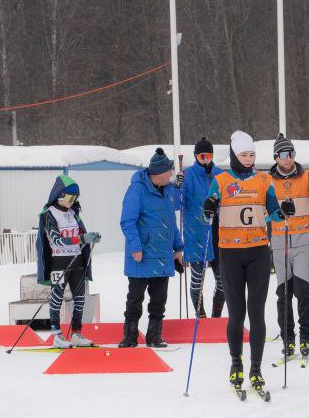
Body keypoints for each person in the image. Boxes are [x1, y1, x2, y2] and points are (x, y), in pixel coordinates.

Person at [203, 130, 287, 396]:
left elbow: (275, 214)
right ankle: (236, 363)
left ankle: (256, 368)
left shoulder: (264, 180)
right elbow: (207, 216)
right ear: (234, 155)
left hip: (258, 252)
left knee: (257, 313)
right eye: (244, 155)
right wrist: (208, 208)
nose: (249, 159)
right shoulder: (220, 180)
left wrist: (284, 212)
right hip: (229, 253)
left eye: (252, 154)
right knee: (236, 313)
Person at [118, 149, 184, 348]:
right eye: (169, 172)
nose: (171, 175)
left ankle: (154, 336)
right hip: (142, 255)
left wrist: (178, 248)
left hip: (163, 254)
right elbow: (127, 222)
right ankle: (129, 337)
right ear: (158, 173)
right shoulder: (136, 190)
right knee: (135, 298)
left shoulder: (169, 192)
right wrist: (136, 247)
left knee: (159, 300)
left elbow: (172, 222)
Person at [269, 134, 309, 358]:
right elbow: (263, 209)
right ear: (276, 157)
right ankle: (288, 338)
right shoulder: (267, 181)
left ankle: (306, 337)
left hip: (302, 241)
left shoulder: (308, 177)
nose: (288, 159)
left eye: (291, 154)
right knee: (283, 293)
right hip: (279, 241)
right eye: (283, 154)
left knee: (302, 290)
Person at [37, 174, 101, 347]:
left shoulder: (73, 213)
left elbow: (80, 233)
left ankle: (76, 334)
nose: (73, 201)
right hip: (59, 261)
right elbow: (56, 239)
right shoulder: (49, 214)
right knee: (56, 298)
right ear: (59, 195)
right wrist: (81, 239)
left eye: (76, 198)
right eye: (70, 197)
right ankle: (57, 334)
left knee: (80, 299)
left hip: (77, 260)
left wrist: (89, 237)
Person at [182, 137, 225, 317]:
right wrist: (178, 186)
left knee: (223, 281)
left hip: (220, 233)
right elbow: (178, 203)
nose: (205, 158)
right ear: (196, 156)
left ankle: (216, 317)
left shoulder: (221, 174)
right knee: (197, 280)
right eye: (202, 156)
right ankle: (201, 316)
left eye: (208, 155)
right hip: (196, 232)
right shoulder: (188, 175)